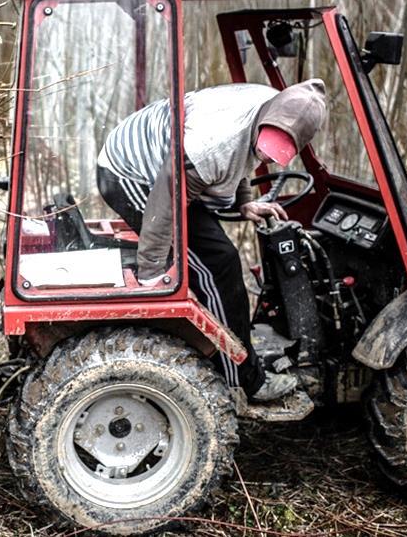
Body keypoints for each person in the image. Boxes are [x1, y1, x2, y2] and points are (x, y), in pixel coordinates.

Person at [96, 79, 328, 402]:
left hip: (173, 165)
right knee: (218, 267)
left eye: (277, 152)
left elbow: (245, 157)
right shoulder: (216, 143)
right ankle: (244, 380)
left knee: (219, 259)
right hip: (132, 172)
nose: (268, 155)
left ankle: (229, 357)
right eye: (268, 145)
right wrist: (151, 273)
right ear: (266, 121)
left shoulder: (266, 107)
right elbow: (167, 201)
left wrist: (245, 200)